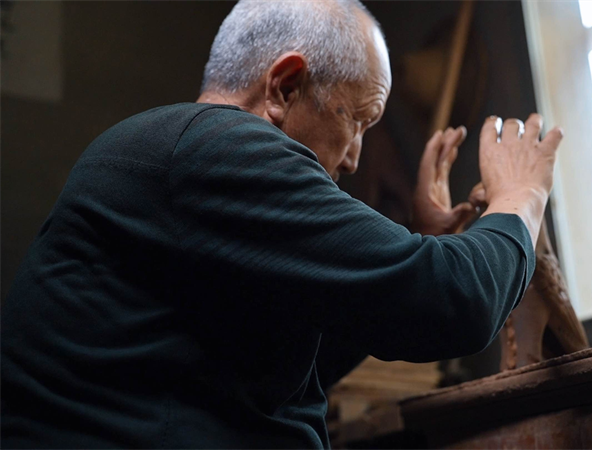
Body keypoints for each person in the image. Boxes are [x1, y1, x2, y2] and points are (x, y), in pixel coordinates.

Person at [0, 0, 563, 449]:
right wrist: (521, 194)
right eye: (358, 120)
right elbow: (454, 302)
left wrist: (426, 240)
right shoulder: (214, 147)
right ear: (285, 87)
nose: (355, 158)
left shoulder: (184, 165)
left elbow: (289, 372)